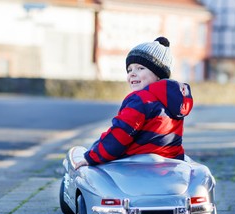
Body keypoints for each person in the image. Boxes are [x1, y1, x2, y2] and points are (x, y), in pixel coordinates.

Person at [70, 36, 193, 170]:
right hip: (168, 164)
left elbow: (121, 134)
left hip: (138, 165)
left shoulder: (141, 99)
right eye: (129, 70)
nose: (132, 74)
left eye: (140, 68)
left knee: (97, 145)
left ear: (158, 74)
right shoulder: (175, 101)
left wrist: (91, 158)